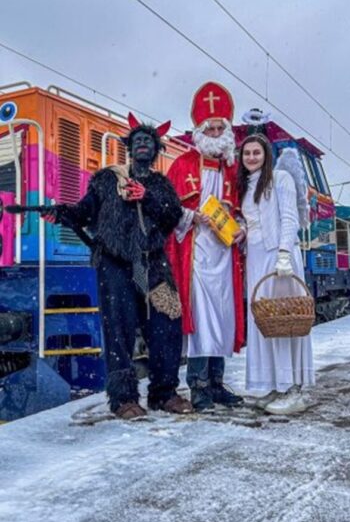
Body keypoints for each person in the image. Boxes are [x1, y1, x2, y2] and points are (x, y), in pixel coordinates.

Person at [46, 114, 193, 419]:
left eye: (147, 141)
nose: (142, 145)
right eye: (137, 140)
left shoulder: (160, 184)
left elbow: (173, 216)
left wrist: (147, 196)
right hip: (114, 265)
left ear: (155, 150)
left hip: (153, 264)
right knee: (118, 329)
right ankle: (123, 399)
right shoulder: (105, 179)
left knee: (166, 323)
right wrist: (61, 214)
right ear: (129, 147)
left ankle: (163, 393)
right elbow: (85, 212)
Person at [165, 82, 246, 411]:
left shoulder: (232, 169)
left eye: (219, 127)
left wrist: (239, 227)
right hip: (195, 254)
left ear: (226, 130)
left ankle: (216, 383)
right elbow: (167, 209)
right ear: (199, 130)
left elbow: (242, 208)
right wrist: (192, 216)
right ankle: (197, 385)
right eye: (209, 127)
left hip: (224, 254)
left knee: (223, 317)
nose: (214, 131)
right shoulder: (181, 165)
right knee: (201, 318)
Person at [237, 135, 315, 414]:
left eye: (257, 152)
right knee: (263, 320)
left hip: (278, 256)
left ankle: (291, 388)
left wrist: (284, 252)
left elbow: (289, 217)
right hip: (256, 257)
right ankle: (268, 384)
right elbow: (252, 221)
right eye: (247, 153)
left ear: (266, 154)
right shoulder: (245, 186)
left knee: (284, 320)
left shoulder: (280, 178)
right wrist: (241, 233)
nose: (252, 157)